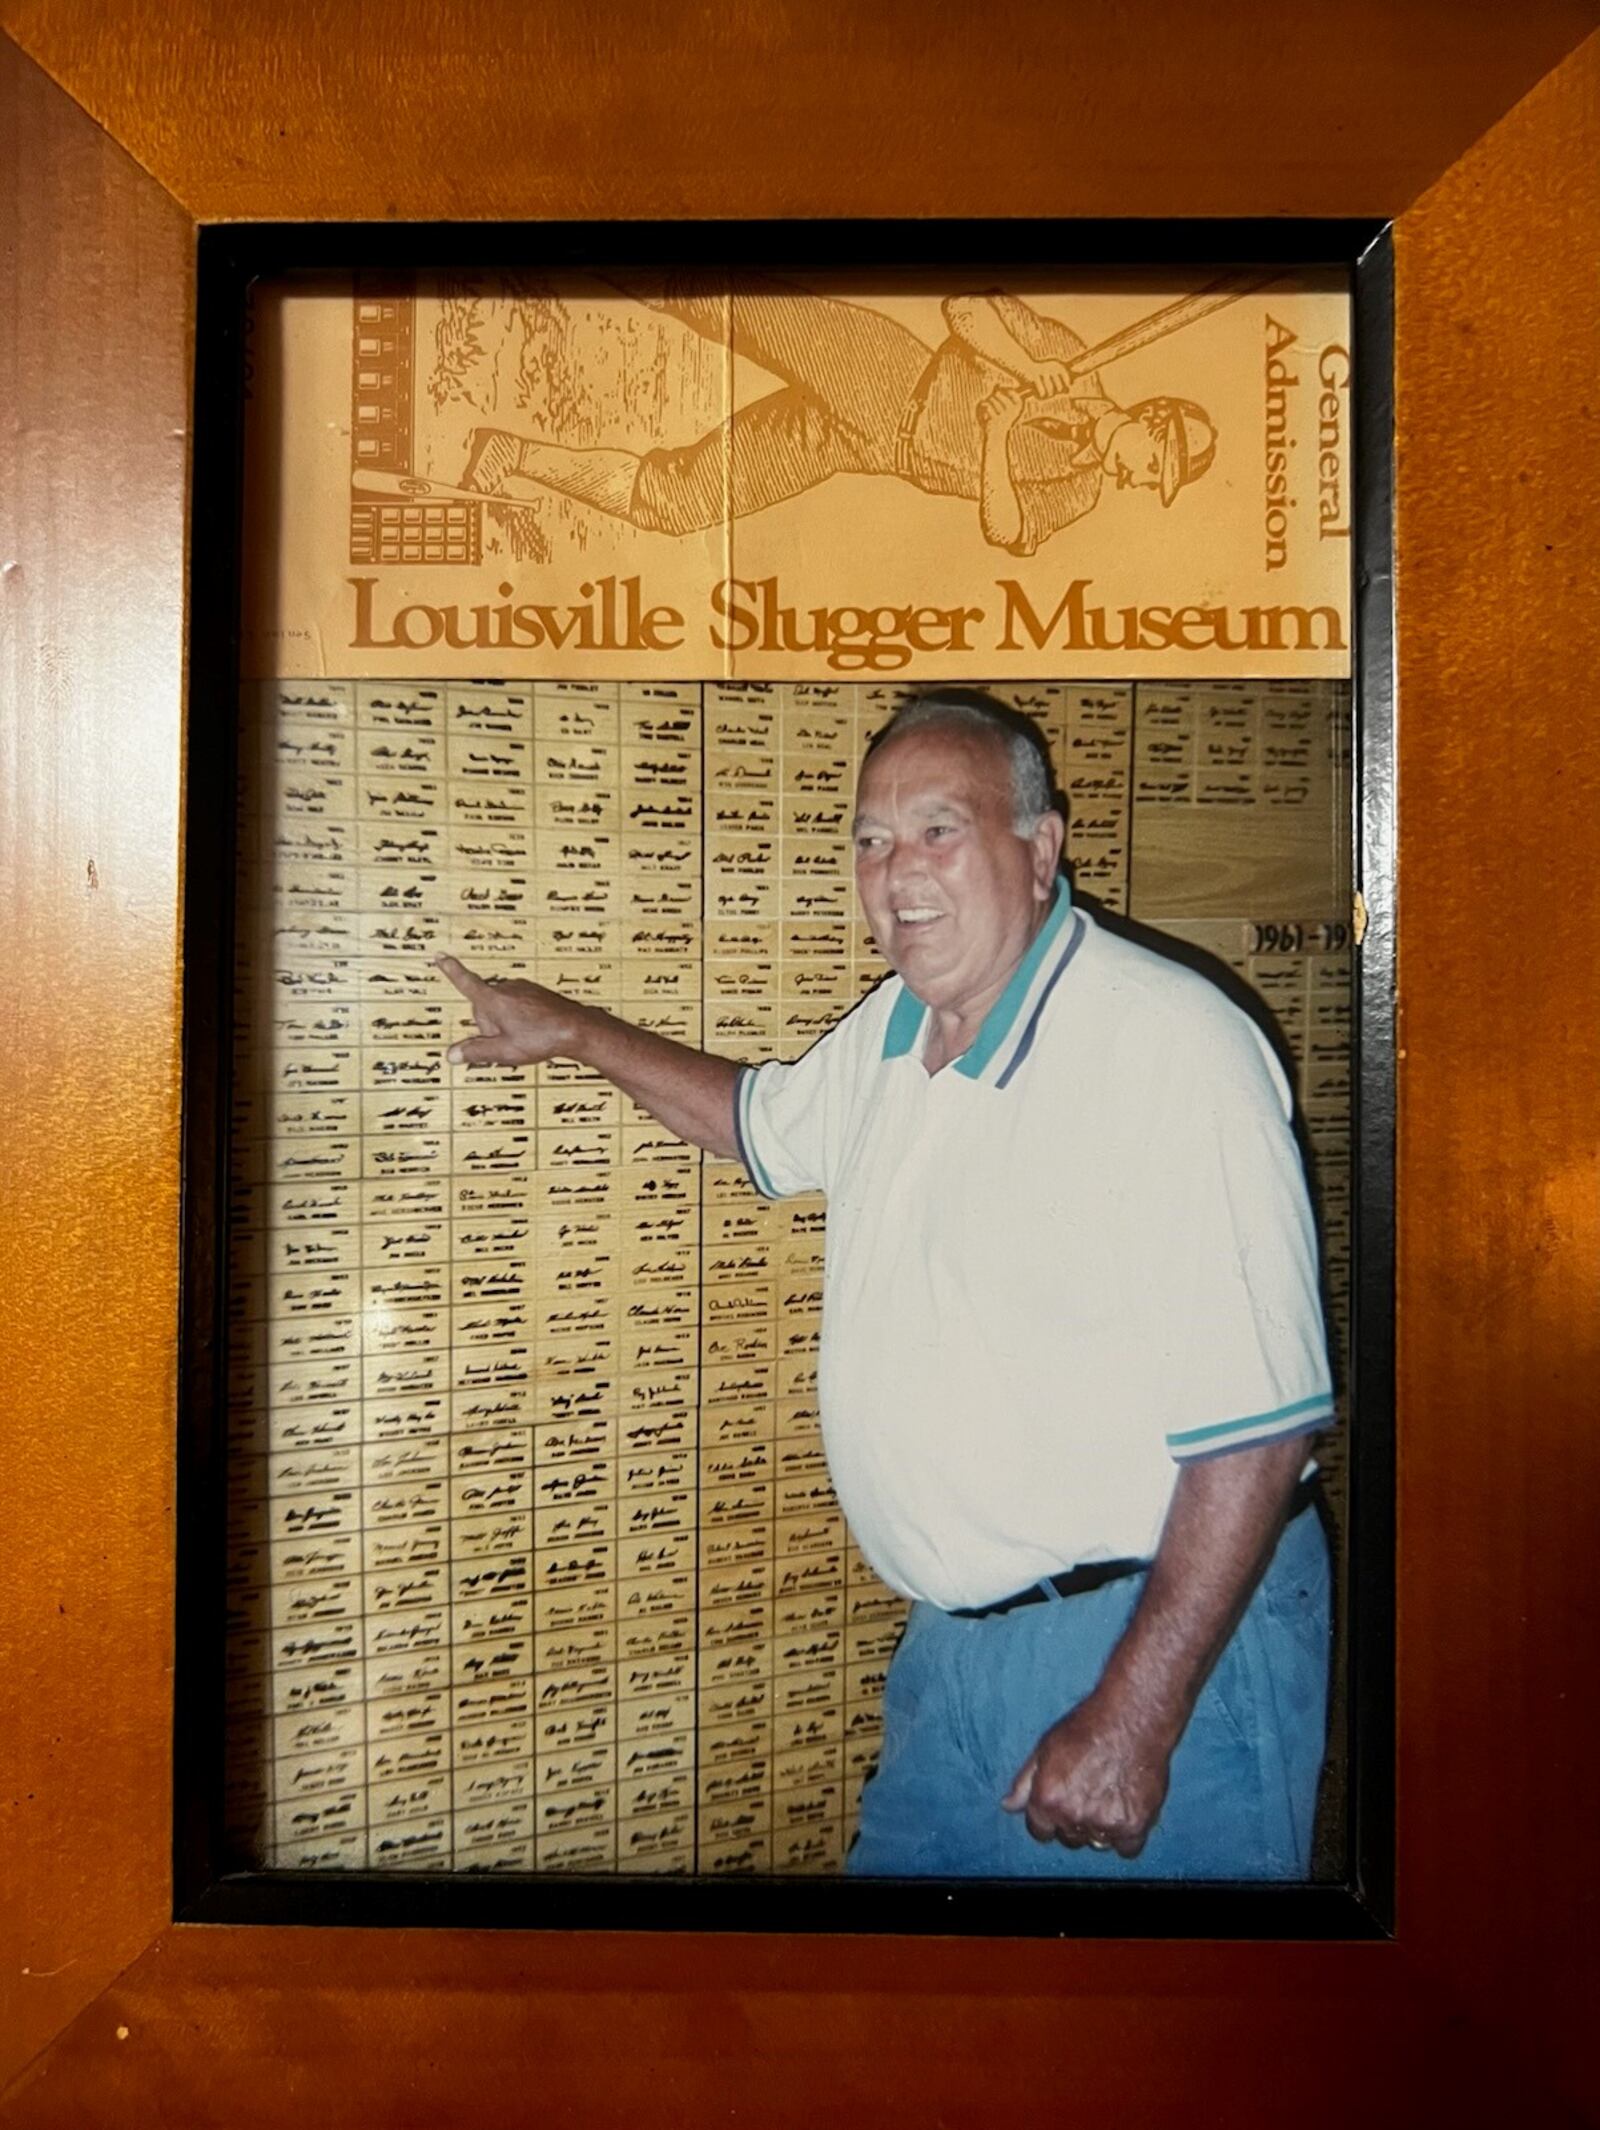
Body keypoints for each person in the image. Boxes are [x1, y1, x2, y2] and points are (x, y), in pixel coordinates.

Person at [437, 690, 1334, 1878]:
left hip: (1152, 1647)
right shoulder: (901, 1029)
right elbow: (757, 1122)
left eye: (936, 830)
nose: (895, 870)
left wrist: (1133, 1714)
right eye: (870, 838)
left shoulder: (1170, 1048)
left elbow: (1259, 1440)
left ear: (1039, 845)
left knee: (1136, 2052)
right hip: (950, 1666)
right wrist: (574, 1032)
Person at [459, 281, 1216, 556]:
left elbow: (1005, 530)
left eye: (1155, 482)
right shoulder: (1067, 354)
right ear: (1150, 418)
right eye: (1153, 462)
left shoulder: (1080, 492)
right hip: (882, 371)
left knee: (678, 502)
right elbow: (965, 307)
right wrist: (1027, 369)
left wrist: (995, 435)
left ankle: (510, 453)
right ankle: (541, 247)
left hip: (867, 445)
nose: (1139, 478)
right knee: (713, 297)